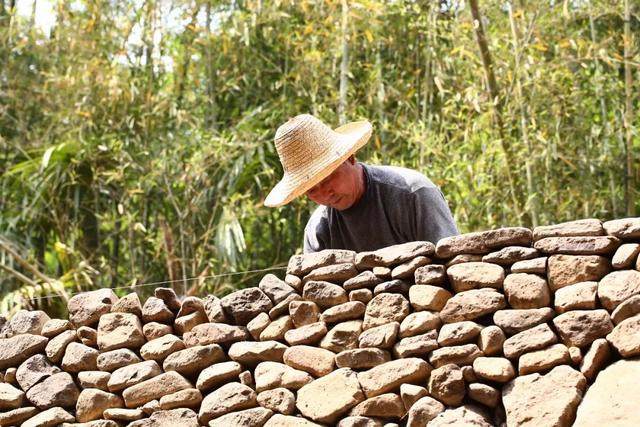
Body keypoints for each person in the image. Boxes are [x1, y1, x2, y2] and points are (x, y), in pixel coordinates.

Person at [264, 114, 459, 253]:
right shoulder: (318, 231)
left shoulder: (414, 194)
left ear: (350, 158)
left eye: (328, 178)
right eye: (311, 190)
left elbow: (452, 263)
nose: (325, 194)